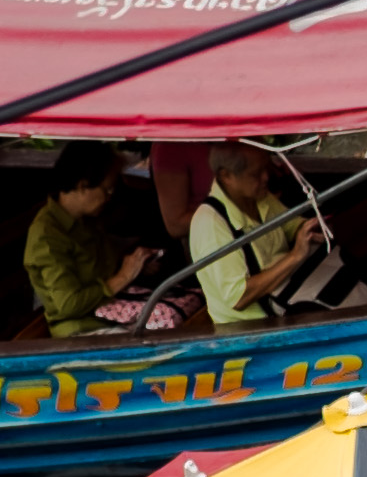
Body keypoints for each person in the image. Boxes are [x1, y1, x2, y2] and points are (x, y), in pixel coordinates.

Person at [185, 139, 328, 326]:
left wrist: (312, 229)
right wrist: (294, 256)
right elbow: (238, 297)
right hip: (254, 329)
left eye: (265, 169)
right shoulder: (210, 224)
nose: (266, 178)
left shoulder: (259, 198)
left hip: (291, 298)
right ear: (226, 176)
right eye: (256, 174)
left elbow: (293, 227)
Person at [24, 142, 155, 337]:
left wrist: (137, 265)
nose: (110, 197)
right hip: (83, 330)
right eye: (107, 190)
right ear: (83, 186)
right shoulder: (47, 238)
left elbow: (101, 264)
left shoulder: (85, 219)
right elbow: (69, 305)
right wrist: (121, 278)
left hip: (112, 312)